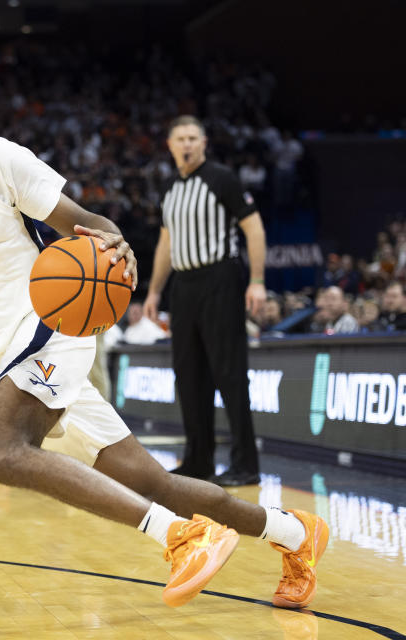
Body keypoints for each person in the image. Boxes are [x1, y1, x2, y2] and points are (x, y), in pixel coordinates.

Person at [0, 51, 327, 609]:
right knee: (153, 482)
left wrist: (113, 241)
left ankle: (182, 537)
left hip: (50, 323)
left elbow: (90, 225)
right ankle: (295, 533)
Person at [142, 115, 266, 487]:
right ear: (169, 144)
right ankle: (198, 461)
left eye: (193, 137)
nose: (187, 144)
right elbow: (166, 242)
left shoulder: (222, 179)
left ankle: (246, 464)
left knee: (229, 372)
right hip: (185, 286)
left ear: (204, 142)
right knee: (188, 374)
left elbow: (254, 227)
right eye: (180, 137)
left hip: (220, 279)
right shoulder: (169, 188)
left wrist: (257, 281)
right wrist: (154, 290)